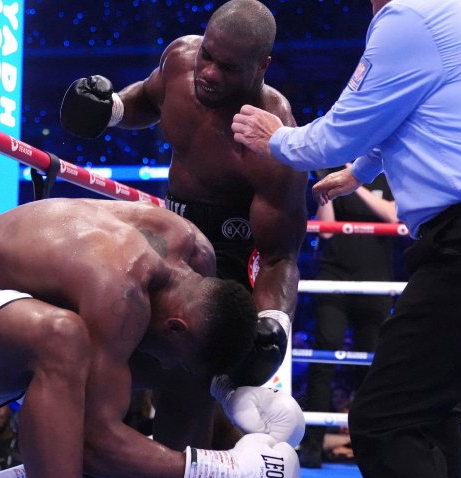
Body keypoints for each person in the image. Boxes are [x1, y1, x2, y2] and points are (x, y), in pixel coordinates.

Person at [230, 0, 461, 475]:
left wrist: (275, 136)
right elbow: (415, 108)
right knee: (429, 409)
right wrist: (360, 172)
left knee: (384, 417)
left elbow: (334, 135)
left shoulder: (408, 18)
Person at [0, 198, 301, 478]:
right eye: (174, 351)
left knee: (189, 373)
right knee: (62, 336)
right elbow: (91, 441)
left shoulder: (196, 253)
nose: (164, 363)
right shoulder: (119, 288)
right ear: (175, 326)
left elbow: (187, 360)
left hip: (13, 323)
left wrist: (232, 398)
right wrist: (220, 468)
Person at [59, 0, 310, 388]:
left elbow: (280, 256)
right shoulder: (179, 60)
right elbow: (146, 98)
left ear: (261, 66)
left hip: (231, 250)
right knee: (109, 338)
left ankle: (197, 447)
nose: (208, 72)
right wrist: (111, 110)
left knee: (191, 387)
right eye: (207, 55)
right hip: (172, 228)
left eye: (227, 68)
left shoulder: (273, 138)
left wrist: (272, 323)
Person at [299, 168, 397, 468]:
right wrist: (326, 185)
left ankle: (373, 448)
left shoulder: (387, 174)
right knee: (323, 360)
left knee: (372, 366)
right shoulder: (332, 176)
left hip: (376, 281)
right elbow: (326, 229)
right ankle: (312, 445)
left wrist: (353, 183)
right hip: (334, 277)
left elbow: (393, 216)